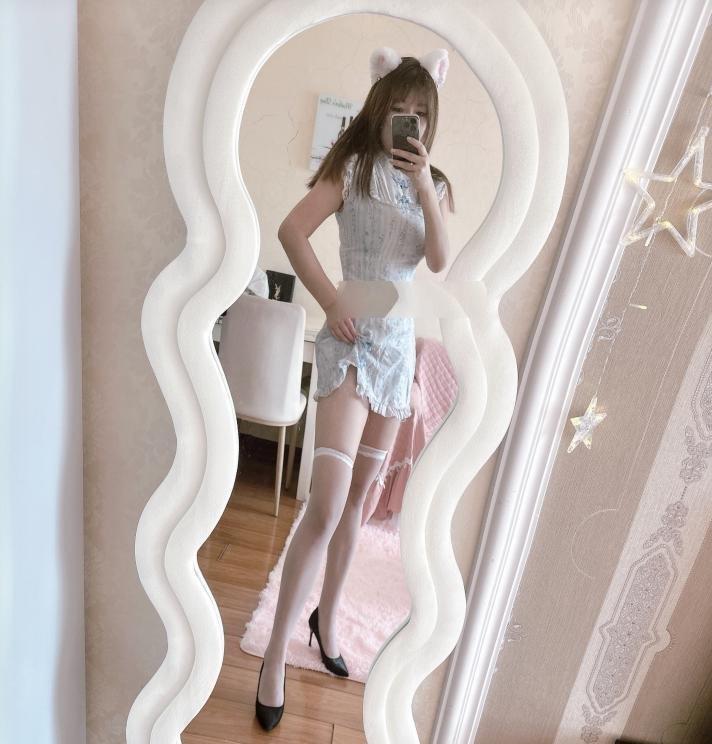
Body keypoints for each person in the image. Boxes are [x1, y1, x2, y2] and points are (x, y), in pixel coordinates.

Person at [254, 45, 453, 731]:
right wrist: (330, 299)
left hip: (397, 351)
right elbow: (292, 230)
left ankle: (328, 621)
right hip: (348, 338)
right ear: (380, 106)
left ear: (430, 121)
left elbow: (439, 259)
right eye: (399, 107)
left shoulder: (435, 185)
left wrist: (425, 186)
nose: (409, 119)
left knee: (361, 505)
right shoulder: (353, 166)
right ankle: (274, 654)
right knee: (329, 501)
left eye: (420, 112)